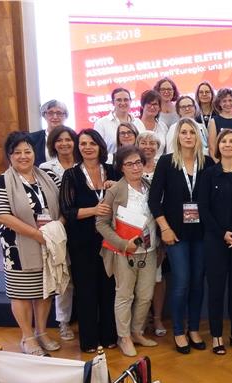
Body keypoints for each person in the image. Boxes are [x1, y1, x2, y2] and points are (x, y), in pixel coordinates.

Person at [0, 132, 62, 356]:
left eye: (27, 151)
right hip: (18, 247)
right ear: (9, 156)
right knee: (21, 292)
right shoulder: (2, 180)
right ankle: (27, 337)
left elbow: (65, 205)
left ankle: (41, 332)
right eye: (17, 152)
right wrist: (37, 234)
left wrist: (56, 228)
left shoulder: (49, 176)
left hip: (48, 243)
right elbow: (2, 215)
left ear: (34, 153)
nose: (23, 156)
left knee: (44, 291)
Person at [148, 118, 215, 353]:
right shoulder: (166, 162)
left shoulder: (207, 163)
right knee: (182, 281)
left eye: (192, 132)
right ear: (177, 136)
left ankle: (193, 329)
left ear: (198, 137)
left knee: (197, 282)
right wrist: (164, 228)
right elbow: (154, 200)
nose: (188, 136)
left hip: (202, 233)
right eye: (184, 132)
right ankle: (178, 331)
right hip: (175, 234)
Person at [60, 129, 120, 353]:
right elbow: (67, 210)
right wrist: (94, 210)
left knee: (109, 288)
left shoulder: (112, 171)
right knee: (86, 291)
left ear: (100, 146)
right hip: (82, 241)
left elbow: (126, 199)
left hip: (110, 240)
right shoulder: (71, 175)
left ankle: (109, 336)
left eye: (92, 143)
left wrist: (116, 188)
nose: (87, 147)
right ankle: (89, 341)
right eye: (83, 143)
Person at [96, 145, 159, 357]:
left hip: (149, 250)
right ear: (121, 167)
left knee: (145, 295)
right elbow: (101, 223)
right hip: (124, 252)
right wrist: (123, 244)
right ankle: (124, 337)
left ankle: (137, 332)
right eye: (129, 164)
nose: (135, 167)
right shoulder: (115, 191)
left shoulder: (149, 186)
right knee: (124, 295)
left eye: (138, 162)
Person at [199, 129, 232, 355]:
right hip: (216, 240)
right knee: (216, 289)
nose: (228, 145)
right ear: (218, 146)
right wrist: (223, 233)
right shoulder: (209, 175)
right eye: (224, 141)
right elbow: (204, 209)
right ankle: (216, 336)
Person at [40, 126, 78, 341]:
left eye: (68, 139)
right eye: (59, 140)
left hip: (83, 225)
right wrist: (60, 222)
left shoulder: (83, 164)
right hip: (59, 226)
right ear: (53, 144)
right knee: (65, 277)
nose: (64, 144)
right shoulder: (46, 168)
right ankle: (63, 322)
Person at [136, 130, 166, 337]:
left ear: (158, 147)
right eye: (143, 142)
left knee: (157, 275)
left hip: (158, 227)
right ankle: (140, 319)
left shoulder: (163, 167)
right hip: (135, 229)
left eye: (152, 143)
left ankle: (157, 318)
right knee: (137, 276)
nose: (148, 146)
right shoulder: (130, 166)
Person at [94, 87, 145, 154]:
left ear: (130, 101)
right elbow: (98, 149)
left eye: (126, 100)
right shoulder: (101, 123)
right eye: (119, 100)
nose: (123, 103)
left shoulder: (138, 122)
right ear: (113, 102)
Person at [208, 88, 232, 158]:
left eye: (230, 100)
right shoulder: (214, 121)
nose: (228, 103)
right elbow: (212, 148)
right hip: (221, 162)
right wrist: (218, 163)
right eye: (224, 101)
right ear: (219, 103)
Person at [30, 100, 68, 165]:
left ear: (65, 116)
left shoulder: (74, 138)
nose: (55, 117)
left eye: (59, 113)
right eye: (50, 113)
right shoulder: (32, 138)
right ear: (44, 116)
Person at [138, 90, 169, 156]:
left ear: (159, 108)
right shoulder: (134, 125)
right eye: (149, 104)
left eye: (155, 104)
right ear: (142, 106)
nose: (152, 107)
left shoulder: (163, 127)